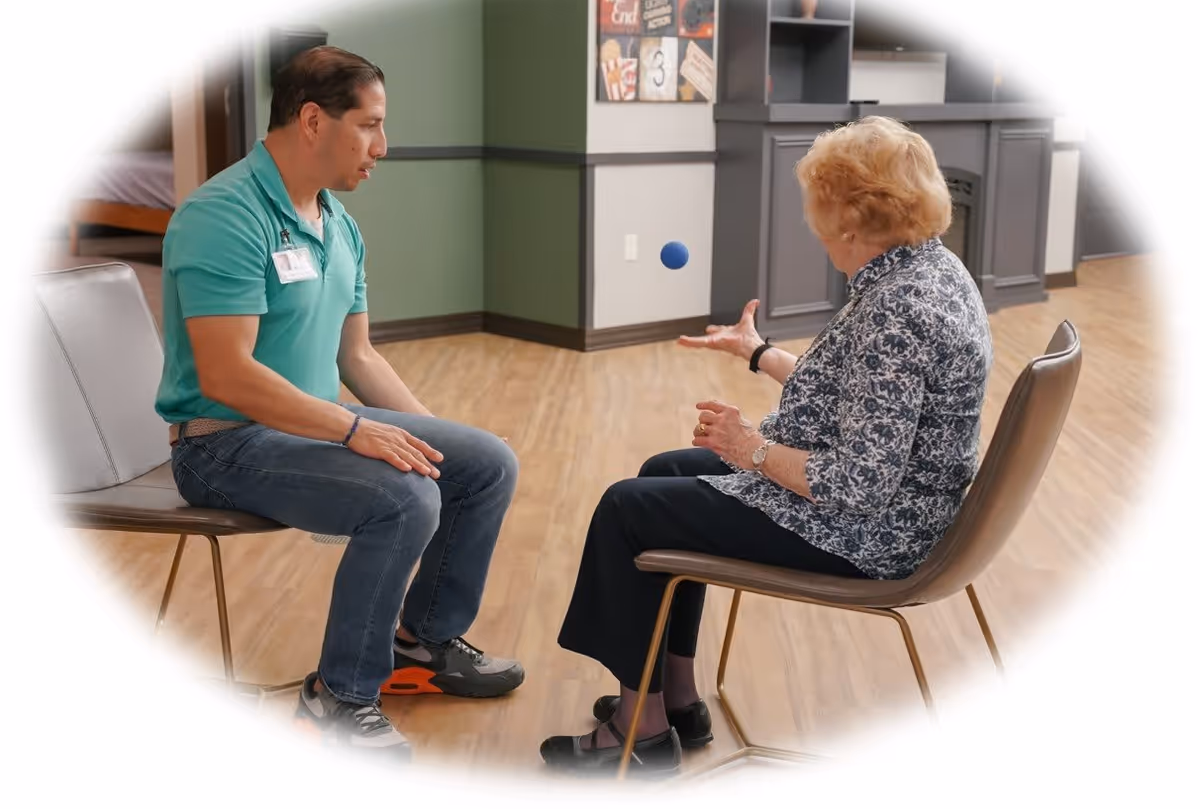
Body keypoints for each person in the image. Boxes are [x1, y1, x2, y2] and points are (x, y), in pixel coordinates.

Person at [540, 116, 994, 775]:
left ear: (848, 222)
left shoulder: (896, 311)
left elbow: (858, 485)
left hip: (871, 533)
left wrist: (749, 447)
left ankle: (640, 734)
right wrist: (758, 353)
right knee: (664, 471)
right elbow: (867, 398)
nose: (812, 224)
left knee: (626, 509)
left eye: (817, 208)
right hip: (911, 513)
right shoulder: (931, 269)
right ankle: (676, 699)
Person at [156, 46, 523, 762]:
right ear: (313, 120)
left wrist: (434, 440)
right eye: (370, 125)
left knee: (484, 464)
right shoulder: (224, 215)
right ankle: (338, 698)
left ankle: (422, 644)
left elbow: (358, 358)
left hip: (309, 427)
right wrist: (354, 431)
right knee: (403, 500)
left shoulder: (337, 223)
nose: (383, 147)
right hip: (221, 443)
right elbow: (227, 376)